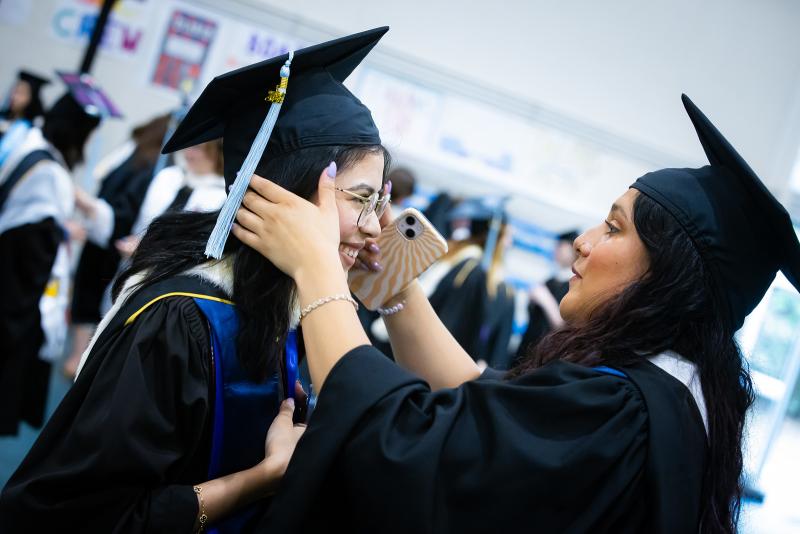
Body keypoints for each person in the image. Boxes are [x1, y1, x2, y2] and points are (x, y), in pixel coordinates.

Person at [238, 94, 800, 534]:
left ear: (668, 275)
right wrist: (390, 287)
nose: (582, 242)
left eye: (613, 227)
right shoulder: (673, 398)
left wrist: (317, 267)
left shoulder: (621, 410)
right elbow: (479, 399)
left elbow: (409, 448)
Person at [0, 27, 391, 533]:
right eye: (361, 199)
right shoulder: (182, 319)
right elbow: (71, 518)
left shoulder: (286, 311)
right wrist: (259, 480)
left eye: (379, 203)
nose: (376, 225)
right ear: (288, 192)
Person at [0, 72, 113, 436]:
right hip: (14, 289)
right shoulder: (51, 173)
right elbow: (34, 239)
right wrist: (61, 233)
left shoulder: (32, 144)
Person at [63, 112, 171, 378]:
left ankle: (81, 357)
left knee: (98, 296)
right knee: (90, 293)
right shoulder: (139, 156)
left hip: (115, 238)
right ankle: (79, 356)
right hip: (107, 234)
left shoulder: (152, 166)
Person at [425, 197, 515, 367]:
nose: (509, 243)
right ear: (495, 235)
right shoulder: (472, 272)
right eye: (507, 236)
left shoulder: (455, 256)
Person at [515, 229, 579, 361]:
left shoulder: (574, 286)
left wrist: (545, 300)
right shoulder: (549, 281)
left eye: (561, 245)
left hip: (547, 355)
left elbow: (565, 327)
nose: (557, 249)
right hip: (526, 348)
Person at [0, 70, 49, 137]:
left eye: (21, 93)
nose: (14, 97)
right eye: (14, 91)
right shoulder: (2, 118)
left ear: (32, 98)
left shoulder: (34, 130)